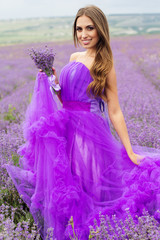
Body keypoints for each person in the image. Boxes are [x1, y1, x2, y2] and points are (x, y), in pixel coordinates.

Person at [6, 5, 160, 240]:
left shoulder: (104, 63)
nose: (83, 34)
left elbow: (114, 109)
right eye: (79, 29)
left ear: (100, 30)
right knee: (65, 188)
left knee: (88, 187)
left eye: (90, 28)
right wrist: (53, 79)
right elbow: (65, 98)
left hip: (88, 133)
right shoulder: (74, 57)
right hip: (65, 127)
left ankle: (92, 233)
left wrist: (129, 149)